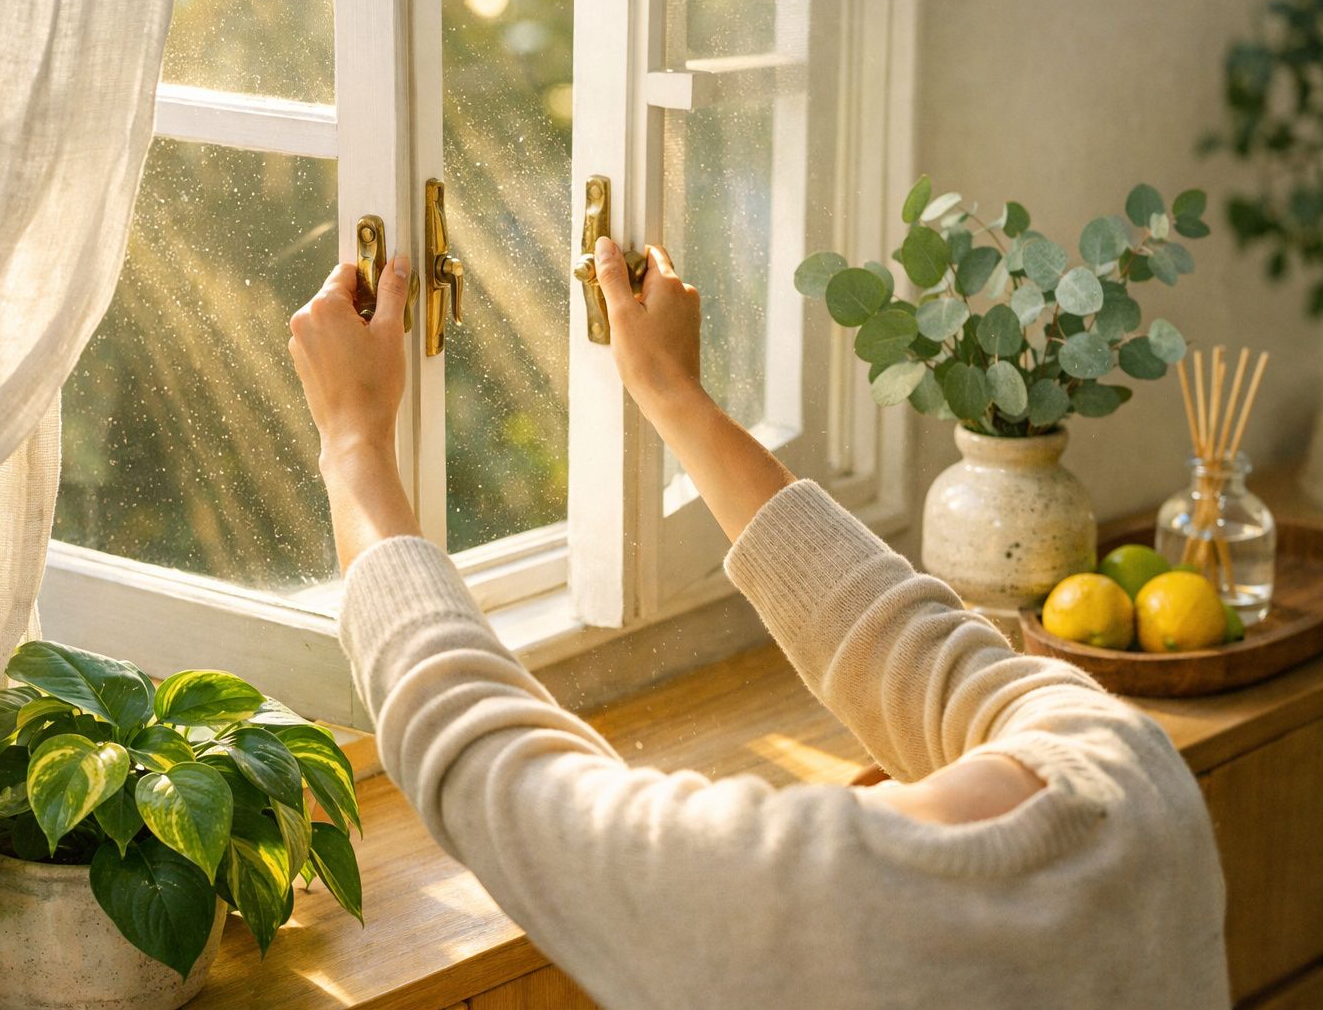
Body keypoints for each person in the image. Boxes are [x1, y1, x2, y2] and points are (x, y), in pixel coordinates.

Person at [286, 237, 1227, 1009]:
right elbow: (906, 643)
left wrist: (354, 443)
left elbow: (480, 761)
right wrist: (672, 393)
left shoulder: (782, 909)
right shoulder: (1134, 775)